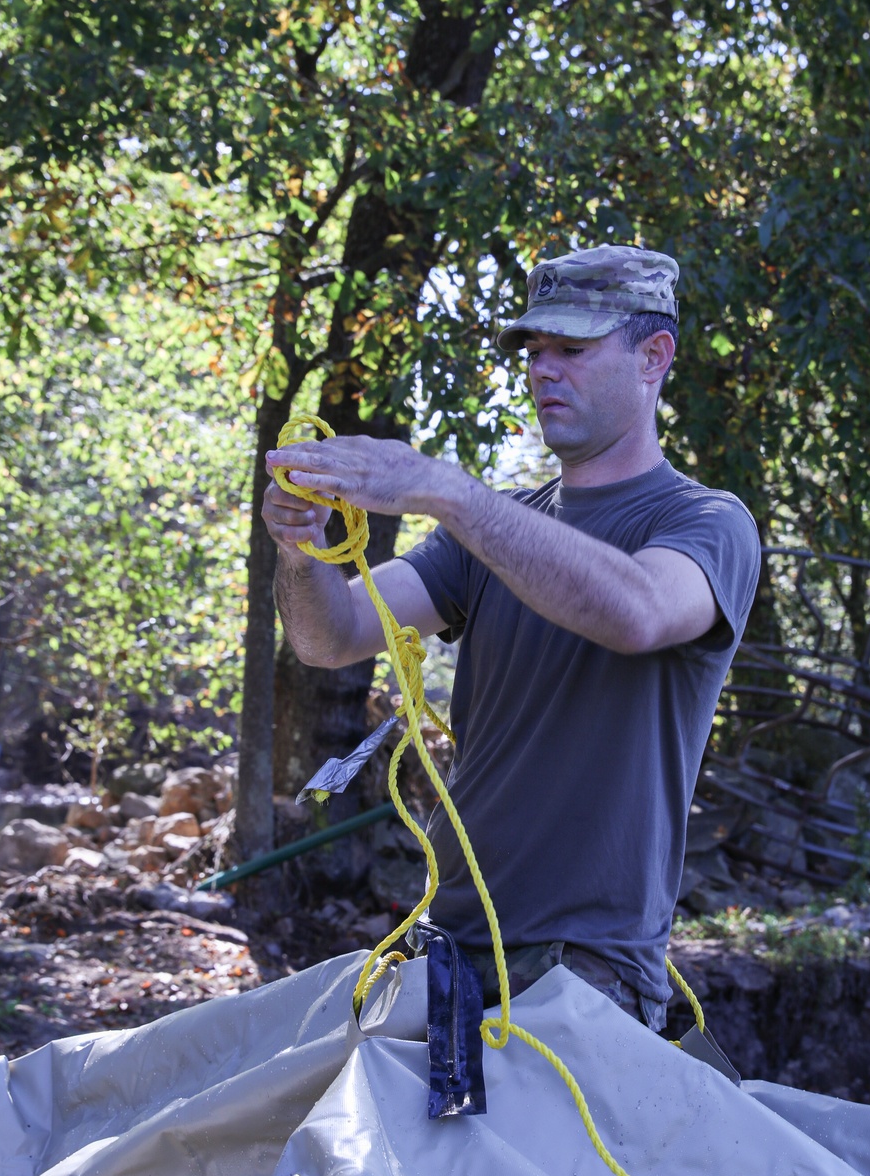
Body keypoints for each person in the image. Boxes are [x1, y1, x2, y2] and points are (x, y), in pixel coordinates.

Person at [263, 244, 760, 1032]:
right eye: (534, 350)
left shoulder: (705, 523)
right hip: (448, 956)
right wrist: (299, 547)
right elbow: (333, 637)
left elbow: (637, 612)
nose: (543, 370)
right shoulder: (487, 531)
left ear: (653, 357)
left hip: (588, 972)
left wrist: (449, 492)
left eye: (572, 348)